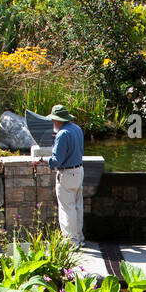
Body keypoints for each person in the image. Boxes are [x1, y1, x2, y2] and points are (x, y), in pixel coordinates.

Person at [41, 104, 84, 243]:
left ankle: (71, 242)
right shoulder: (77, 129)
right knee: (77, 206)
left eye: (53, 120)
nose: (53, 123)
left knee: (67, 208)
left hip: (67, 174)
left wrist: (41, 159)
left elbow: (56, 161)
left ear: (58, 120)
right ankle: (79, 237)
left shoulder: (62, 134)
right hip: (79, 171)